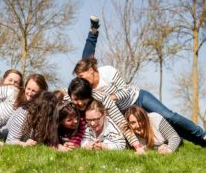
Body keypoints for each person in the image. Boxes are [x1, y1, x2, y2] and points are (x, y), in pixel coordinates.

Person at [75, 16, 206, 146]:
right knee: (165, 125)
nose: (80, 79)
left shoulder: (107, 72)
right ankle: (199, 143)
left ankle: (201, 134)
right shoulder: (87, 86)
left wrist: (111, 97)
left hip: (138, 97)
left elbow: (125, 90)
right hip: (127, 110)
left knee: (169, 116)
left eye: (82, 75)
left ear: (91, 70)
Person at [67, 77, 145, 154]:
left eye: (83, 99)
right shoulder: (67, 100)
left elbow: (121, 121)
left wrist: (137, 146)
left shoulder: (103, 99)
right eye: (76, 99)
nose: (80, 103)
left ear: (89, 95)